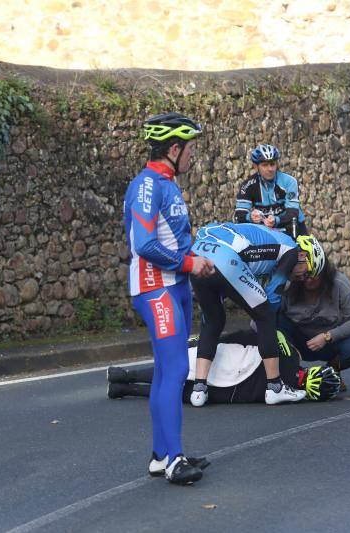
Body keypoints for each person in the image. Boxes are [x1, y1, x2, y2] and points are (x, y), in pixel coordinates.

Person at [124, 112, 215, 485]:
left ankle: (162, 455)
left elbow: (173, 237)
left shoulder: (168, 182)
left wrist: (198, 261)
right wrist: (189, 263)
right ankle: (174, 461)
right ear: (174, 148)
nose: (193, 156)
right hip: (155, 286)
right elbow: (143, 244)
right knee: (177, 370)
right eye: (190, 149)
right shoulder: (148, 186)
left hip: (175, 284)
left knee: (166, 370)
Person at [189, 222, 310, 407]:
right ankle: (275, 388)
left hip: (198, 255)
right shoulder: (292, 251)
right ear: (302, 255)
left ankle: (199, 390)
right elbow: (272, 295)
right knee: (266, 315)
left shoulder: (266, 237)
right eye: (305, 273)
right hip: (226, 258)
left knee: (213, 321)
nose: (301, 278)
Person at [106, 330, 341, 409]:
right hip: (226, 393)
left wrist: (214, 341)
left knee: (179, 368)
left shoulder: (289, 351)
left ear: (313, 371)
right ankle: (123, 389)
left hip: (230, 360)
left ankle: (125, 375)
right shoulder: (289, 396)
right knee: (177, 393)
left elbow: (251, 335)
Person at [279, 235, 350, 392]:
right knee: (273, 323)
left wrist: (327, 336)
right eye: (303, 275)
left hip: (328, 342)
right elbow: (259, 321)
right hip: (296, 342)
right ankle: (295, 375)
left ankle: (330, 373)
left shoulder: (339, 283)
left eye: (312, 275)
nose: (307, 280)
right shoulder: (287, 284)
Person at [232, 144, 307, 238]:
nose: (270, 169)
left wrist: (276, 220)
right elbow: (238, 216)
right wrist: (250, 217)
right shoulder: (247, 186)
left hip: (291, 228)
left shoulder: (289, 181)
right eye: (265, 165)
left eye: (272, 164)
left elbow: (293, 214)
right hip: (265, 233)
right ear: (256, 167)